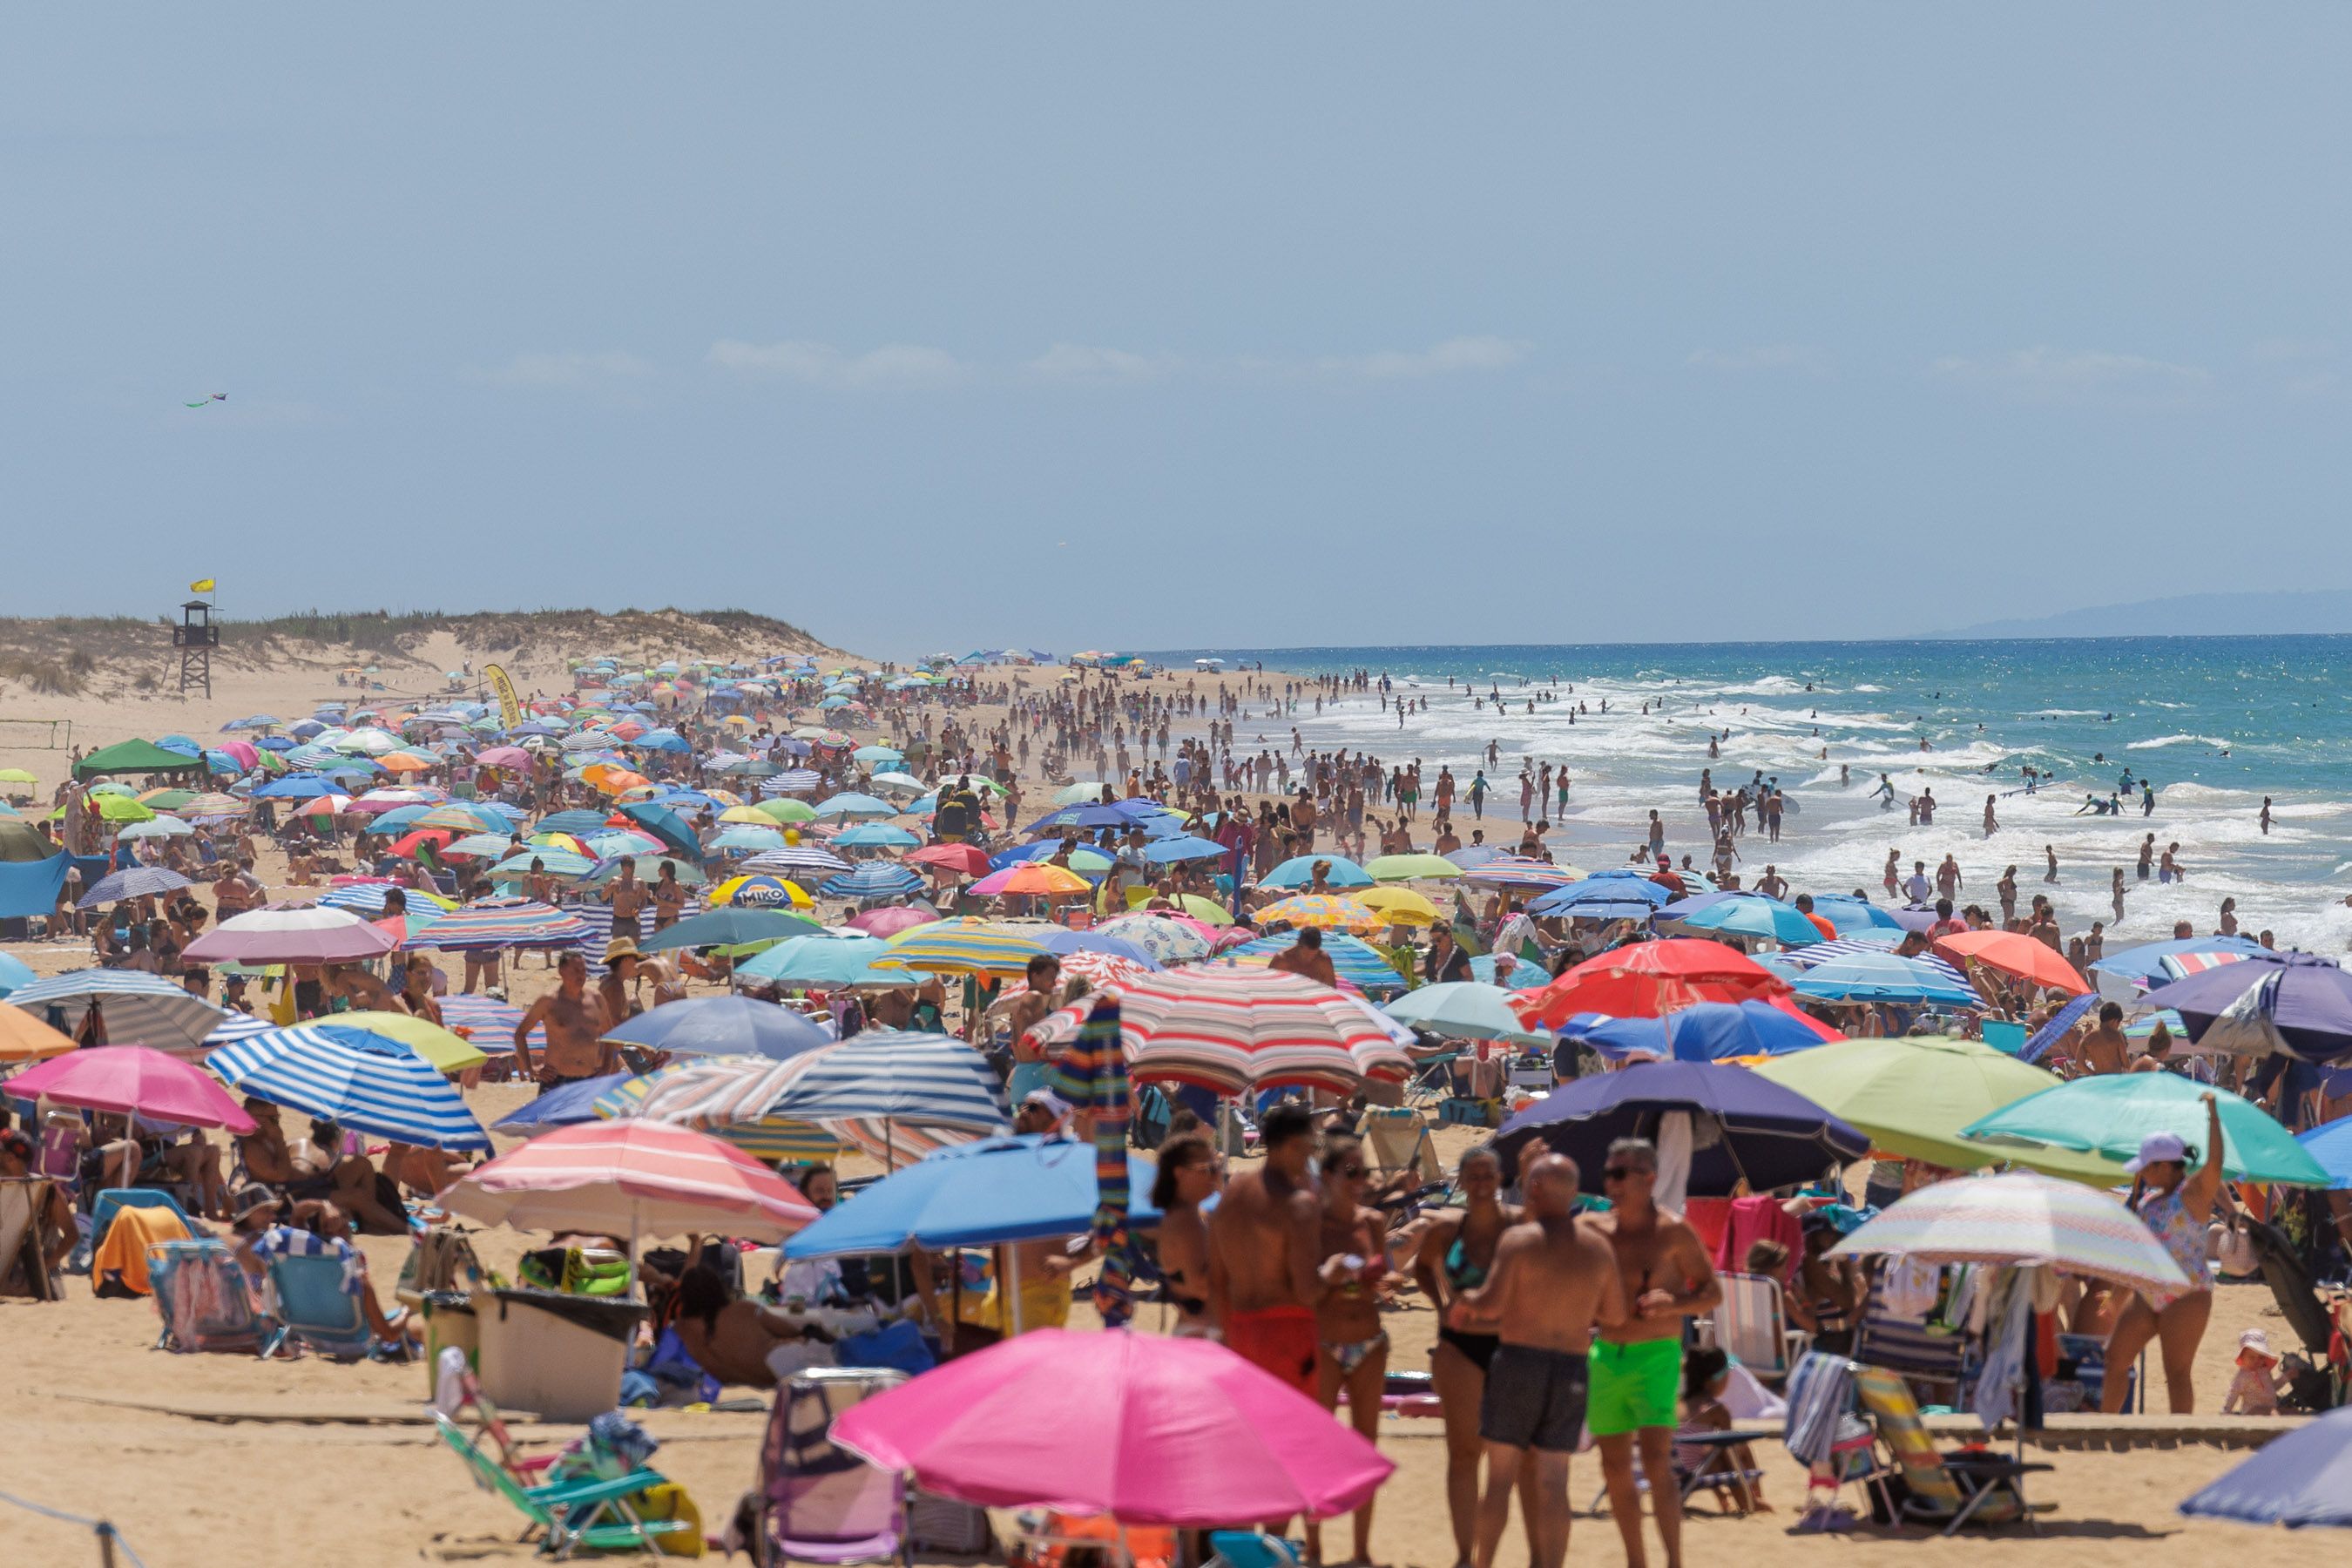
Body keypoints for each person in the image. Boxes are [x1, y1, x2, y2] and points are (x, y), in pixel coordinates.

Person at [1453, 1152, 1625, 1568]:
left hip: (1518, 1362)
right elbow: (1616, 1316)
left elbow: (1491, 1305)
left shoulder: (1520, 1241)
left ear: (1533, 1190)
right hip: (1570, 1367)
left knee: (1499, 1479)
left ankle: (1483, 1564)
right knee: (1554, 1481)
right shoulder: (1597, 1248)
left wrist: (1465, 1303)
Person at [1589, 1137, 1721, 1568]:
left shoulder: (1672, 1231)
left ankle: (1674, 1562)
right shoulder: (1595, 1229)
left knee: (1655, 1460)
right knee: (1613, 1468)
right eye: (1609, 1173)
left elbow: (1712, 1292)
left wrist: (1676, 1304)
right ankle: (1636, 1562)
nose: (1611, 1182)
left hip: (1657, 1355)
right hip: (1606, 1354)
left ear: (1649, 1178)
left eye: (1620, 1173)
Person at [1410, 1146, 1536, 1568]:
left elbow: (1552, 1244)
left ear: (1500, 1180)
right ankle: (1466, 1556)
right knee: (1464, 1454)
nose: (1482, 1184)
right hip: (1459, 1346)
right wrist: (1441, 1302)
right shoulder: (1447, 1231)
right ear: (1460, 1182)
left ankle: (1539, 1557)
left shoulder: (1519, 1226)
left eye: (1488, 1175)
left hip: (1513, 1344)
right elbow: (1421, 1268)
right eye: (1473, 1176)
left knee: (1525, 1459)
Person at [2101, 1098, 2227, 1414]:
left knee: (2177, 1373)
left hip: (2188, 1294)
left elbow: (2215, 1164)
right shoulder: (2149, 1202)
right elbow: (2138, 1257)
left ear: (2165, 1166)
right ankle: (2106, 1425)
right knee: (2115, 1358)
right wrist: (2116, 1298)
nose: (2141, 1172)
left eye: (2147, 1166)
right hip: (2149, 1293)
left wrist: (2213, 1115)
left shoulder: (2194, 1194)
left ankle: (2180, 1440)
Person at [1307, 1133, 1390, 1566]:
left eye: (1365, 1172)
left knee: (1365, 1447)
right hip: (1324, 1341)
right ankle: (1315, 1548)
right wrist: (1330, 1278)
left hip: (1370, 1341)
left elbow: (1380, 1276)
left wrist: (1376, 1280)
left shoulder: (1372, 1222)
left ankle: (1361, 1551)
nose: (1360, 1181)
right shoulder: (1312, 1225)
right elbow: (1303, 1290)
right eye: (1352, 1172)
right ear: (1328, 1177)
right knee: (1317, 1446)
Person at [1207, 1102, 1322, 1398]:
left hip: (1239, 1329)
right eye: (1311, 1145)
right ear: (1294, 1144)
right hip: (1288, 1332)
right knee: (1295, 1434)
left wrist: (1226, 1333)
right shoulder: (1298, 1204)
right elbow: (1307, 1289)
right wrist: (1338, 1273)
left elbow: (1217, 1278)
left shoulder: (1233, 1194)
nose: (1312, 1154)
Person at [672, 1261, 829, 1387]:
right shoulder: (745, 1309)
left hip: (725, 1380)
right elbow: (789, 1331)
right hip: (769, 1374)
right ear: (718, 1287)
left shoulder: (681, 1329)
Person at [512, 950, 616, 1092]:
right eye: (576, 970)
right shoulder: (548, 1001)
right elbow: (520, 1033)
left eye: (583, 970)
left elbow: (611, 1035)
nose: (581, 975)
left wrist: (606, 1067)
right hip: (556, 1080)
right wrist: (531, 1068)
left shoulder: (596, 999)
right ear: (562, 971)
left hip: (590, 1079)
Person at [1149, 1133, 1219, 1339]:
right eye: (1207, 1169)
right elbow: (1200, 1286)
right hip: (1202, 1333)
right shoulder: (1185, 1222)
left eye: (1217, 1167)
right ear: (1180, 1173)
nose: (1215, 1176)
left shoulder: (1190, 1215)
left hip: (1197, 1328)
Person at [2220, 1328, 2288, 1416]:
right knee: (2272, 1412)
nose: (2257, 1361)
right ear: (2243, 1357)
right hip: (2251, 1413)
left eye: (2261, 1358)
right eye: (2252, 1357)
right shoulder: (2243, 1376)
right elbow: (2233, 1393)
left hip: (2270, 1409)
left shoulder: (2264, 1371)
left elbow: (2272, 1388)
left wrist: (2286, 1377)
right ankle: (2279, 1427)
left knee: (2292, 1412)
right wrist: (2226, 1410)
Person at [1268, 926, 1337, 987]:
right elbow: (1268, 985)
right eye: (1305, 954)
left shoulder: (1323, 960)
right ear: (1298, 944)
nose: (1309, 959)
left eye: (1313, 956)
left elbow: (1332, 988)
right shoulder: (1282, 959)